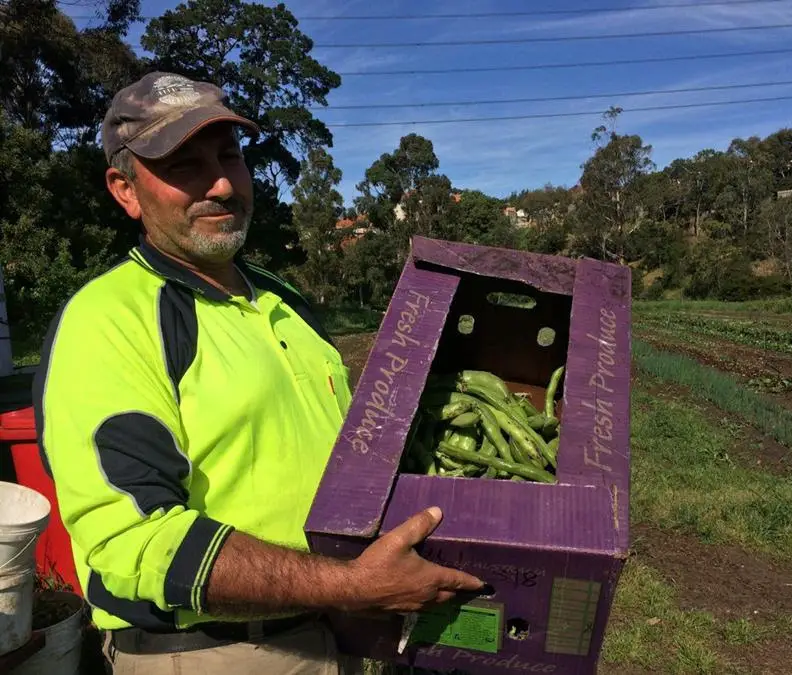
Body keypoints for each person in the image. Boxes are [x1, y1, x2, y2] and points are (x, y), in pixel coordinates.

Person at [32, 71, 484, 675]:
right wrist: (351, 585)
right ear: (126, 189)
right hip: (217, 652)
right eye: (185, 166)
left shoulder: (284, 299)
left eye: (229, 157)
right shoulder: (108, 319)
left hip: (343, 627)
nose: (220, 183)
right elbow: (131, 540)